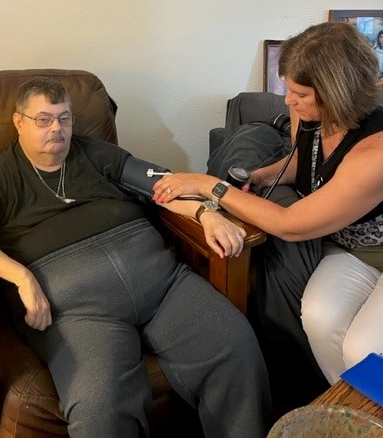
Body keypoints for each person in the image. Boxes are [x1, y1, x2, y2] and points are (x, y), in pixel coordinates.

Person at [0, 77, 271, 438]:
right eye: (43, 119)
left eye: (64, 118)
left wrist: (208, 214)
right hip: (78, 313)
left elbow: (166, 184)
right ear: (19, 122)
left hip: (162, 285)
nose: (57, 129)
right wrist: (20, 276)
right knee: (100, 408)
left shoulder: (95, 153)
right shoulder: (2, 177)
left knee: (236, 348)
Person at [153, 22, 383, 407]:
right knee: (319, 317)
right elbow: (306, 165)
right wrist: (262, 174)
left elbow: (290, 226)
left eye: (299, 93)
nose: (287, 100)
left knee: (363, 348)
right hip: (351, 249)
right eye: (288, 89)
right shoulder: (311, 117)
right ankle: (344, 412)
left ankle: (368, 411)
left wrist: (209, 185)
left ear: (336, 94)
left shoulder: (374, 152)